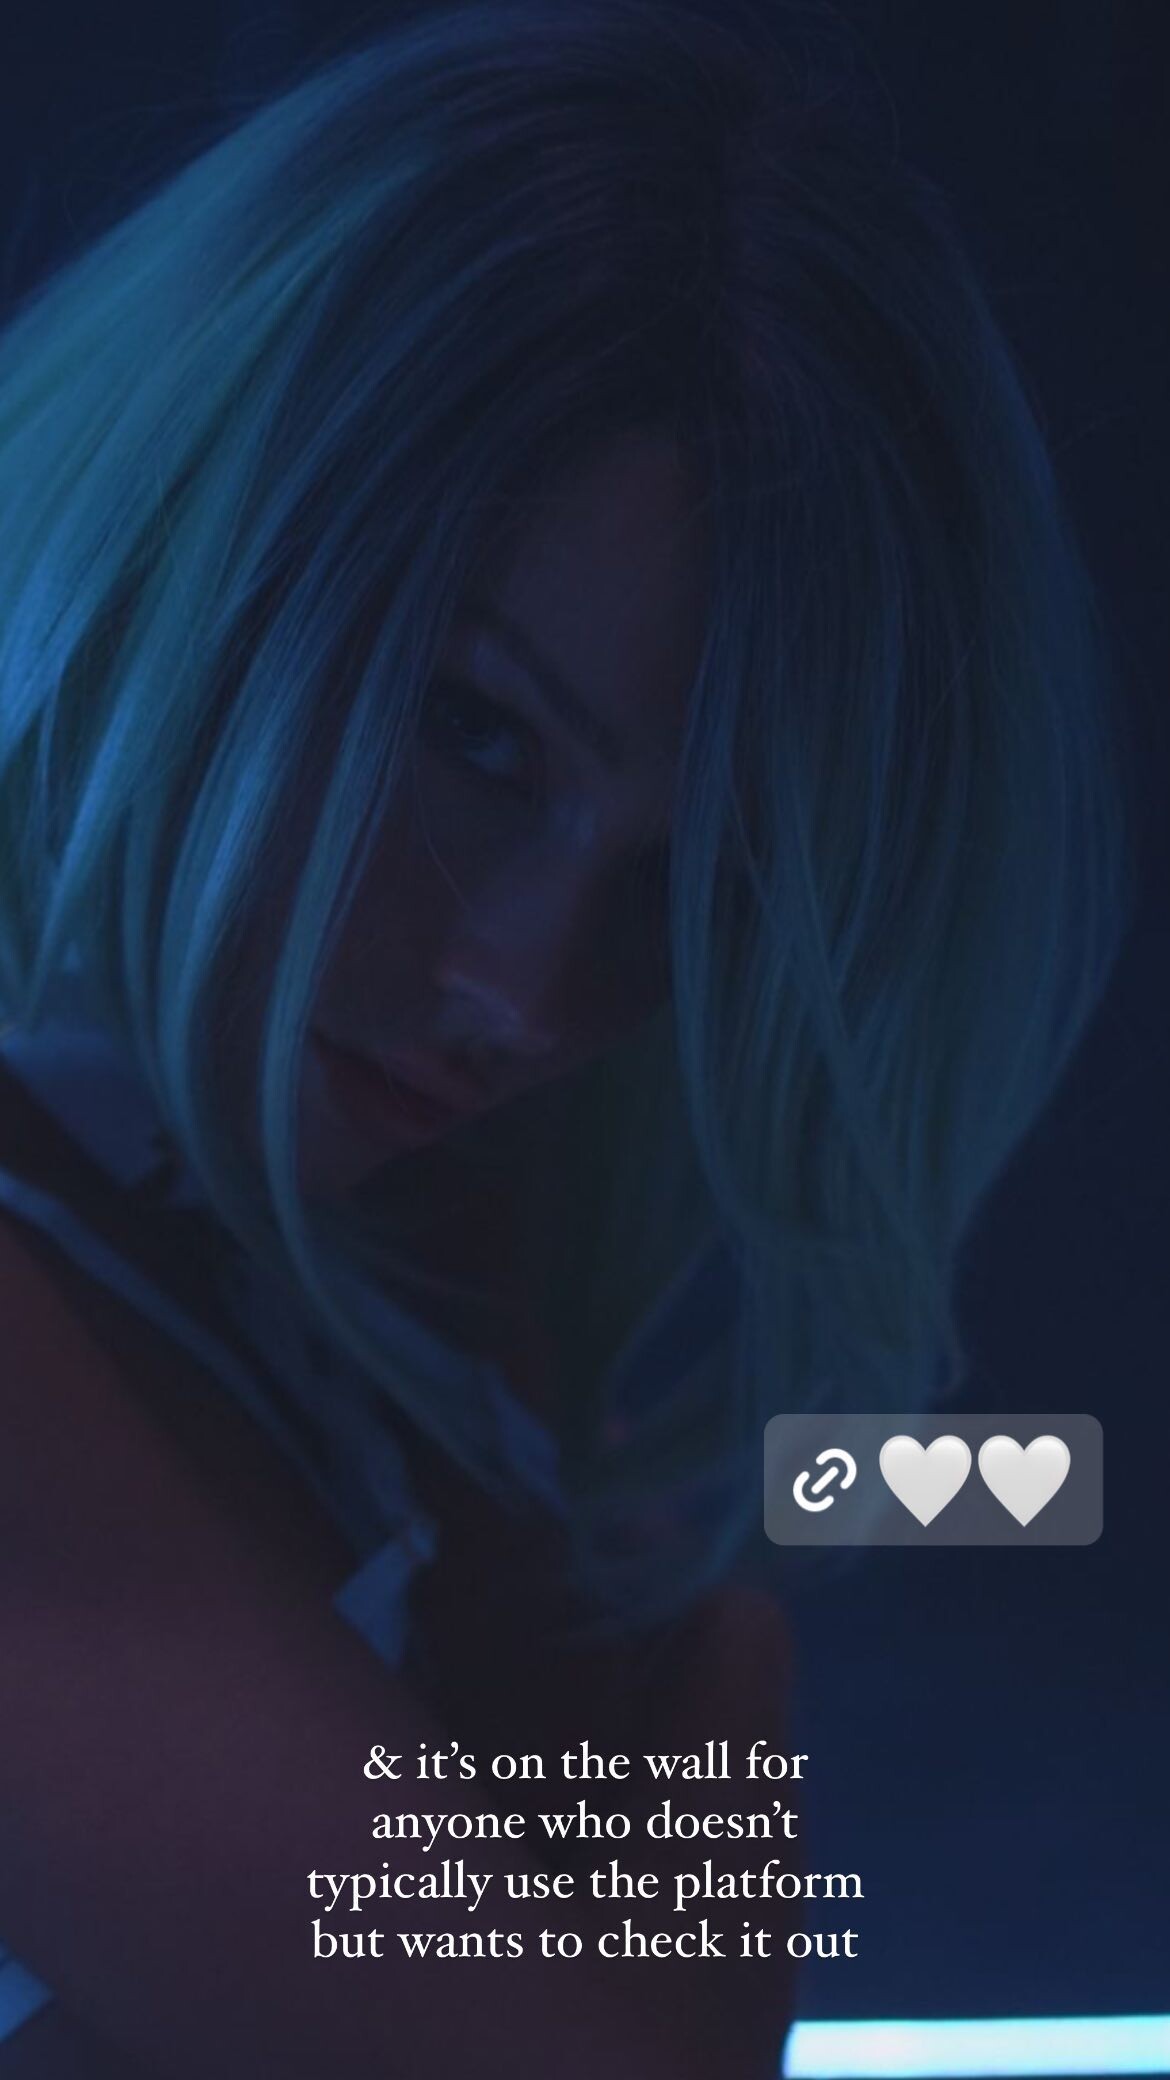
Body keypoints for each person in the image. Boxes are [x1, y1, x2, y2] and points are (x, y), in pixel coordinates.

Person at [0, 1, 1127, 2073]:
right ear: (192, 524)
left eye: (703, 882)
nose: (524, 992)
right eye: (473, 729)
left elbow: (1005, 1494)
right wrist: (712, 1640)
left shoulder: (393, 1265)